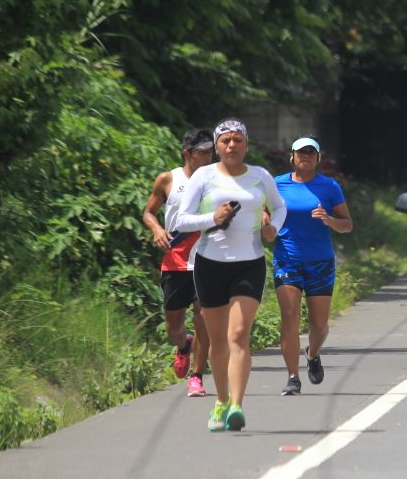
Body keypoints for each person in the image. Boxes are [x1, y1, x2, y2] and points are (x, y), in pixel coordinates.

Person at [174, 118, 286, 431]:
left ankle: (237, 405)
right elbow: (181, 220)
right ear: (216, 147)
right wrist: (214, 217)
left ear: (246, 145)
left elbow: (279, 208)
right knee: (218, 340)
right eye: (225, 141)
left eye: (237, 140)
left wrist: (272, 227)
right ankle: (221, 400)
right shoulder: (203, 176)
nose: (231, 145)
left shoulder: (260, 176)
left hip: (248, 262)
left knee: (238, 335)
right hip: (210, 263)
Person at [273, 137, 353, 395]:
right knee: (290, 317)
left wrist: (328, 219)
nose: (305, 156)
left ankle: (313, 353)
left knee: (318, 325)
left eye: (310, 152)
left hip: (320, 262)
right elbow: (265, 213)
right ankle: (292, 377)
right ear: (292, 157)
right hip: (287, 259)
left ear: (318, 158)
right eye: (300, 152)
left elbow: (347, 224)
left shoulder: (329, 187)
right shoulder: (277, 184)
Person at [141, 128, 214, 397]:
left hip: (206, 258)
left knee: (203, 316)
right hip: (174, 259)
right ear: (188, 153)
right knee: (174, 326)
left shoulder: (217, 181)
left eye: (210, 152)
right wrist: (157, 230)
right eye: (203, 152)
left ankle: (197, 376)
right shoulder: (168, 179)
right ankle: (184, 346)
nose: (209, 157)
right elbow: (148, 212)